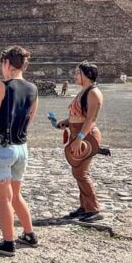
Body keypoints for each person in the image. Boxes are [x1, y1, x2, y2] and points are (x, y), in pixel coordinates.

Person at [0, 46, 39, 256]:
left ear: (6, 64)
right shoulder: (33, 88)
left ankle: (8, 242)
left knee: (4, 199)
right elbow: (29, 119)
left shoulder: (1, 86)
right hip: (21, 147)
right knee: (16, 195)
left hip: (1, 148)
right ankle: (29, 234)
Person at [56, 61, 105, 222]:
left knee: (81, 172)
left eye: (78, 73)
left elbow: (90, 119)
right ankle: (84, 206)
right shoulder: (83, 92)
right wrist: (66, 122)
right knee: (78, 171)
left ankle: (93, 208)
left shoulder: (93, 93)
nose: (76, 76)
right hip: (77, 134)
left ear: (87, 75)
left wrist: (80, 138)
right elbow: (78, 116)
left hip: (86, 136)